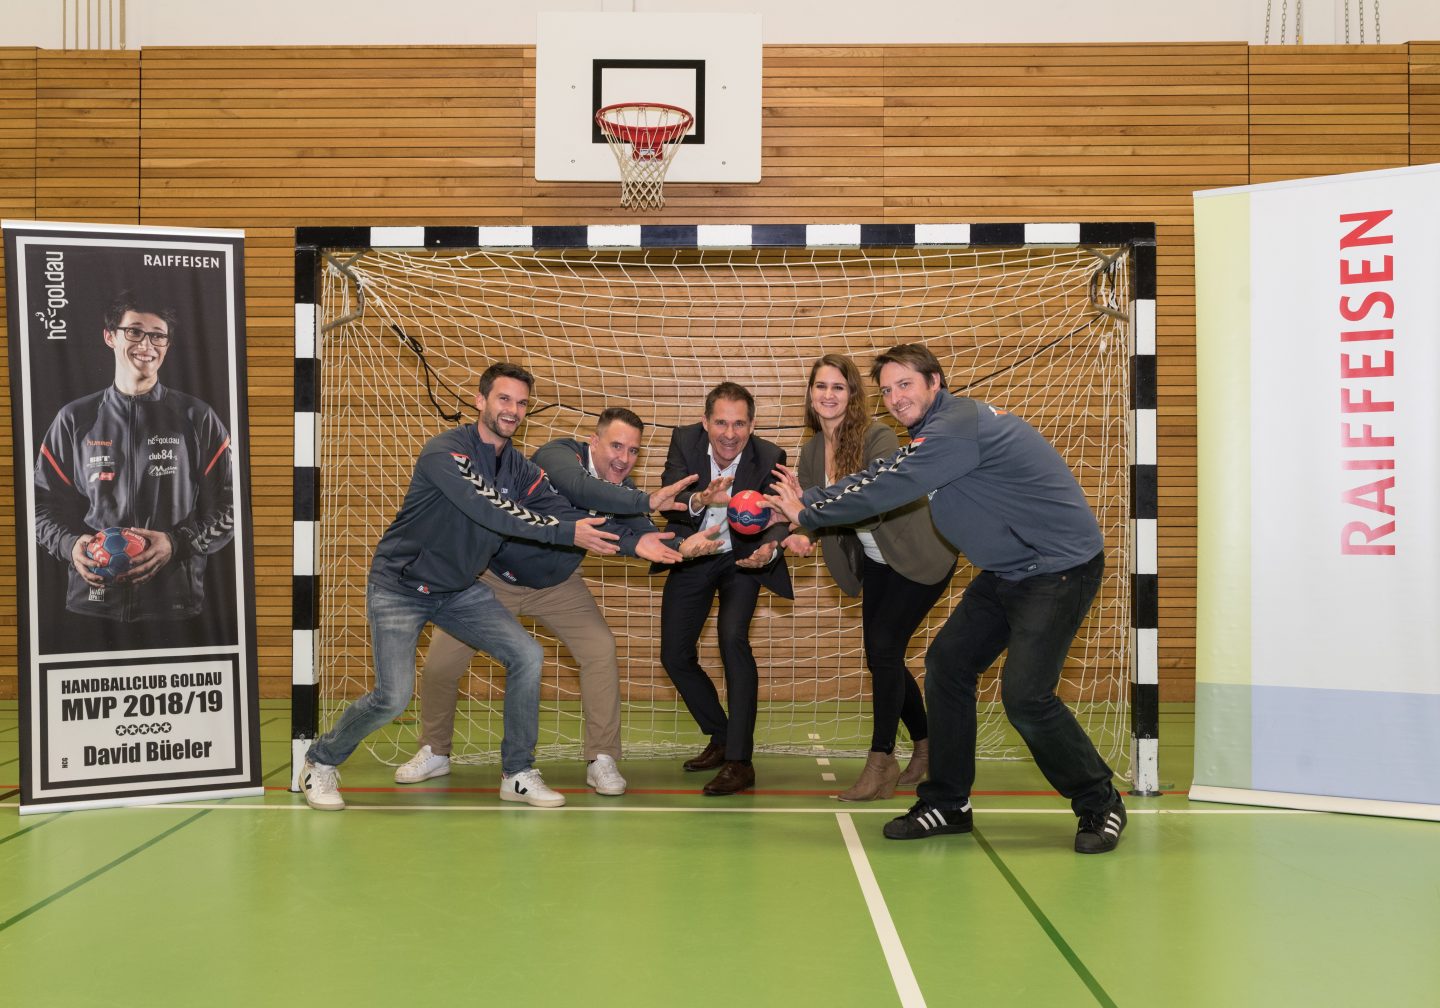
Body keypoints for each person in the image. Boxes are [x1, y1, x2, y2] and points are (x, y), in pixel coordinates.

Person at [768, 344, 1127, 853]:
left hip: (1057, 570)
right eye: (887, 390)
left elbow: (889, 487)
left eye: (905, 385)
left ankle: (1099, 801)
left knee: (1026, 696)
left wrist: (810, 512)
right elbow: (883, 472)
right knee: (948, 665)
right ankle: (948, 803)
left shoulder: (956, 427)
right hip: (1007, 570)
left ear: (935, 382)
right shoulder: (930, 435)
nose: (895, 398)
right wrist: (810, 500)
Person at [300, 363, 686, 812]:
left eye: (522, 403)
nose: (513, 410)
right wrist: (571, 531)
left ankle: (517, 772)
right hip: (401, 587)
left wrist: (638, 535)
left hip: (459, 590)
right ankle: (320, 761)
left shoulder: (519, 468)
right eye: (504, 399)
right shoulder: (446, 453)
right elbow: (494, 513)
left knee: (527, 655)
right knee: (392, 696)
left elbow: (559, 509)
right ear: (481, 401)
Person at [394, 407, 718, 797]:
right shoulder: (557, 456)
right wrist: (646, 503)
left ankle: (602, 758)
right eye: (616, 445)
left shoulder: (624, 494)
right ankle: (435, 750)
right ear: (593, 442)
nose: (623, 458)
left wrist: (686, 546)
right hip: (494, 579)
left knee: (600, 649)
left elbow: (646, 536)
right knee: (442, 662)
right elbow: (581, 491)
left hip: (558, 586)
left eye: (632, 451)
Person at [779, 354, 956, 801]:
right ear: (811, 395)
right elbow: (812, 516)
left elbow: (870, 498)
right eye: (821, 386)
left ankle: (881, 763)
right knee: (885, 655)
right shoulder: (812, 450)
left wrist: (810, 510)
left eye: (839, 387)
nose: (828, 395)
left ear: (853, 395)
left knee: (883, 650)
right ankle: (928, 745)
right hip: (876, 561)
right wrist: (797, 533)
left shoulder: (877, 435)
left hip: (918, 555)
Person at [33, 291, 234, 622]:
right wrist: (70, 546)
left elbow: (231, 506)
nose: (147, 344)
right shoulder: (74, 419)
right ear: (110, 336)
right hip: (91, 605)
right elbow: (39, 506)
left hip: (175, 606)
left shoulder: (197, 417)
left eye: (158, 336)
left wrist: (176, 543)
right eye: (135, 331)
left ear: (167, 345)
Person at [658, 381, 792, 796]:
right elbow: (672, 500)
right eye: (720, 423)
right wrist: (700, 498)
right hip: (695, 551)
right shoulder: (683, 442)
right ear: (705, 422)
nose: (729, 433)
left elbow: (782, 516)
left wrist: (769, 549)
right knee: (674, 655)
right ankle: (722, 735)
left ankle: (739, 761)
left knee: (732, 639)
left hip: (742, 560)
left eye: (739, 424)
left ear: (751, 426)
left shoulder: (769, 456)